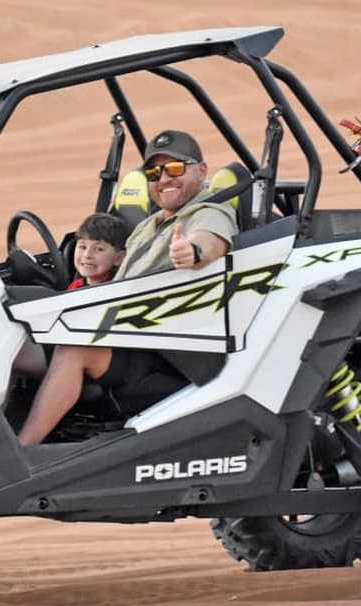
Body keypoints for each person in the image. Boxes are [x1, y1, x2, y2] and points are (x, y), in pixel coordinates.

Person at [17, 130, 238, 446]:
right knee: (15, 339)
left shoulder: (208, 212)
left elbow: (210, 241)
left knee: (74, 349)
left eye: (175, 168)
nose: (164, 179)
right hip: (122, 332)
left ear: (201, 171)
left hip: (163, 350)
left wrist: (192, 252)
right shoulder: (149, 225)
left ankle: (21, 452)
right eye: (154, 172)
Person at [67, 213, 128, 289]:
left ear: (119, 258)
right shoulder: (76, 285)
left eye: (99, 249)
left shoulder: (117, 289)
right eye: (83, 247)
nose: (87, 255)